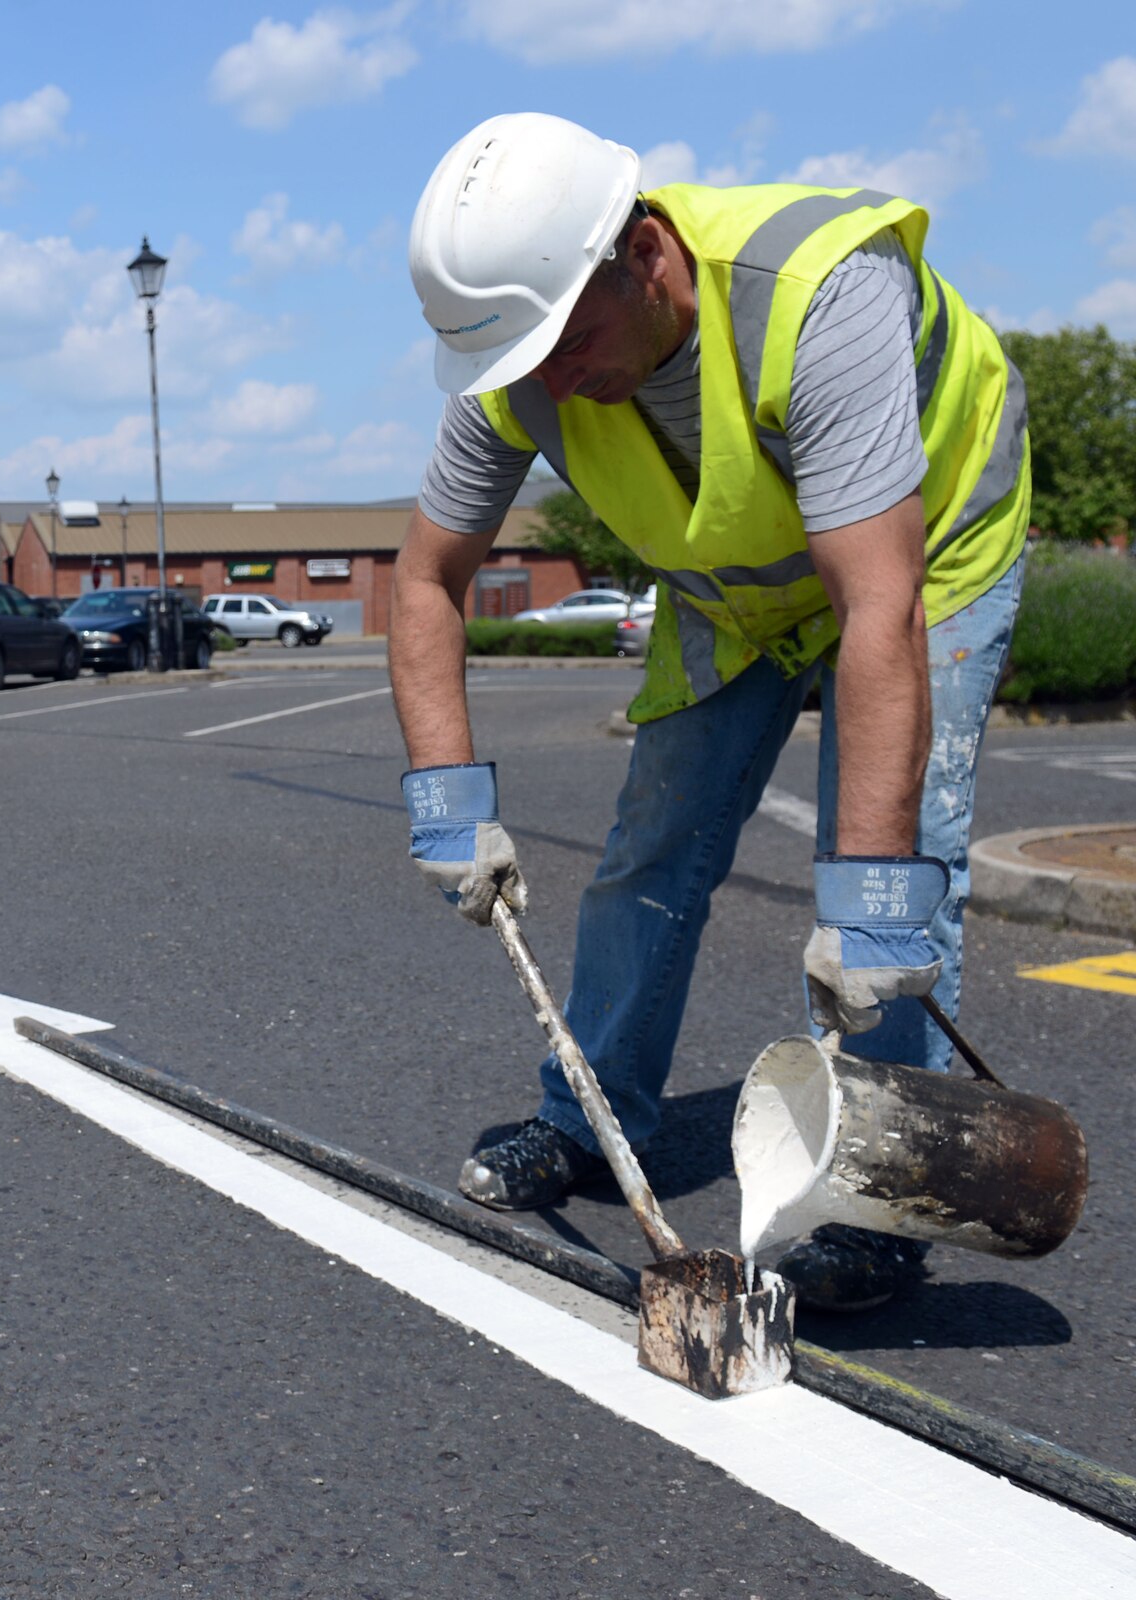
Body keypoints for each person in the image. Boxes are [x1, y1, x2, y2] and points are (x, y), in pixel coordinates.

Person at [393, 113, 1030, 1312]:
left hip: (922, 555)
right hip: (736, 585)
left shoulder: (817, 293)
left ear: (644, 254)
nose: (548, 382)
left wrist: (872, 903)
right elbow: (425, 581)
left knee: (892, 874)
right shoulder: (514, 366)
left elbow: (875, 604)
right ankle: (583, 1122)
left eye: (565, 343)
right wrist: (444, 807)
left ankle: (878, 1190)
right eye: (519, 360)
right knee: (649, 847)